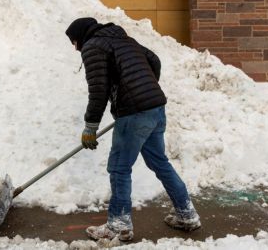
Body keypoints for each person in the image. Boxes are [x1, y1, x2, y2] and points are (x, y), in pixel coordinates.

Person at [65, 17, 201, 242]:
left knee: (119, 168)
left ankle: (118, 226)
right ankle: (186, 214)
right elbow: (154, 60)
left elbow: (98, 91)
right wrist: (145, 90)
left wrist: (90, 127)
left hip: (134, 114)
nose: (74, 47)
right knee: (160, 162)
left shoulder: (92, 47)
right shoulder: (123, 39)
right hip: (156, 107)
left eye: (73, 41)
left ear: (81, 37)